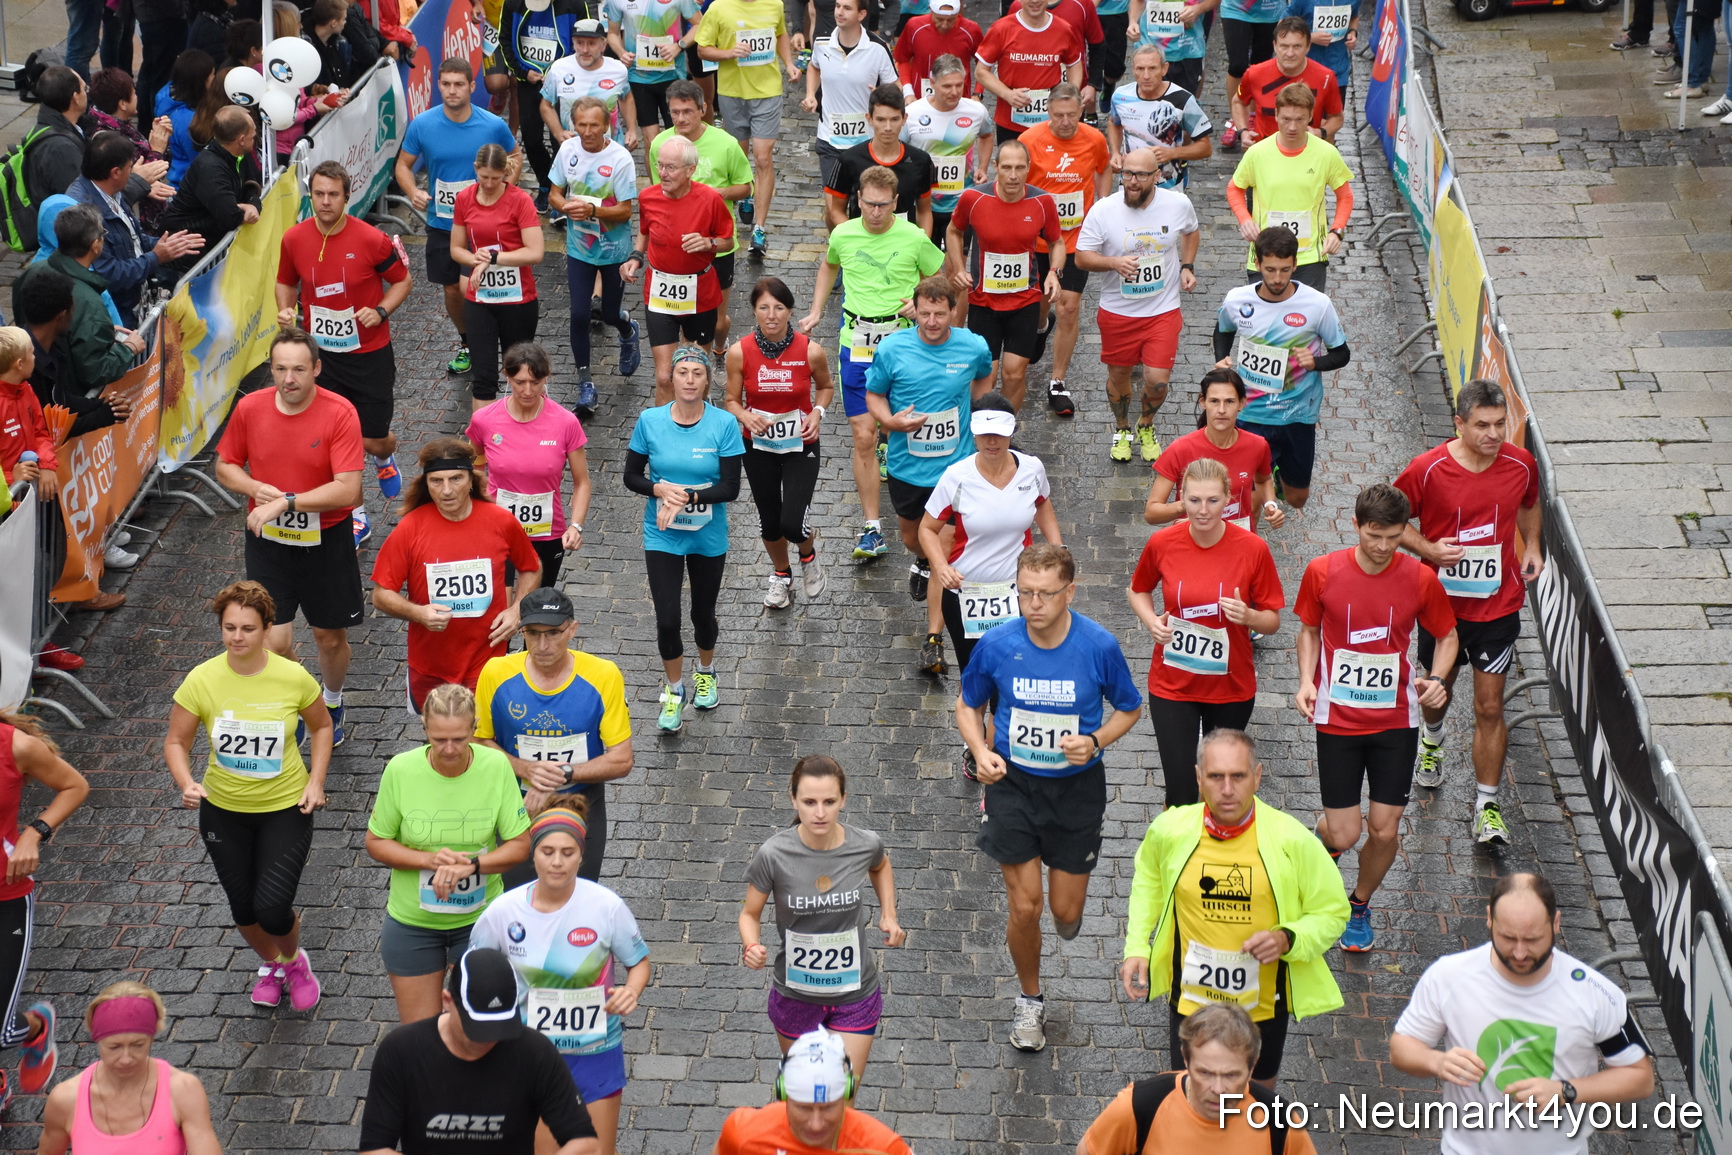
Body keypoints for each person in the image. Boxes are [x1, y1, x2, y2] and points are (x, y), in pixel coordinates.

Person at [957, 543, 1142, 1051]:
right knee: (1026, 905)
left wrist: (1097, 740)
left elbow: (1130, 708)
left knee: (1063, 911)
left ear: (1070, 592)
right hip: (1013, 786)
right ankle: (1030, 1001)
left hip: (1078, 791)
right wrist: (980, 751)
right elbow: (967, 705)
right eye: (1026, 593)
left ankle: (1068, 916)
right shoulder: (996, 644)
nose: (1034, 603)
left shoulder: (1098, 646)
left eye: (1046, 594)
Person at [1119, 729, 1345, 1083]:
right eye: (1215, 776)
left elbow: (1332, 912)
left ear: (1256, 777)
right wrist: (1136, 946)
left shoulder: (1292, 839)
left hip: (1262, 1006)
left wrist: (1289, 938)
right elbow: (1148, 880)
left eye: (1238, 776)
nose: (1227, 789)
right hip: (1192, 1000)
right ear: (1198, 778)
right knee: (1190, 1100)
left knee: (1255, 1103)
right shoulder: (1170, 830)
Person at [1296, 484, 1458, 953]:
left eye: (1392, 536)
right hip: (1338, 719)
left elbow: (1447, 637)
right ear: (1356, 527)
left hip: (1395, 722)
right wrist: (1307, 681)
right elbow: (1307, 630)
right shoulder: (1322, 571)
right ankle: (1319, 848)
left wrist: (1439, 678)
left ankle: (1359, 905)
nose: (1383, 546)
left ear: (1403, 532)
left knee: (1385, 828)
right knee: (1345, 831)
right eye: (1373, 536)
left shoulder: (1420, 579)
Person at [1390, 872, 1656, 1155]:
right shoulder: (1448, 975)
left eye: (1532, 939)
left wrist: (1565, 1091)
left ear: (1555, 923)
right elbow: (1402, 1048)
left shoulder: (1596, 993)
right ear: (1490, 918)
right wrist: (1436, 1061)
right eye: (1507, 937)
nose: (1519, 953)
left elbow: (1640, 1078)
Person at [163, 579, 332, 1010]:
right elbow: (176, 742)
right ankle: (274, 964)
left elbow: (322, 726)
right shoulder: (202, 679)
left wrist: (316, 781)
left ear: (266, 629)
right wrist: (186, 782)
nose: (238, 637)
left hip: (285, 807)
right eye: (230, 627)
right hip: (223, 810)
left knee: (273, 906)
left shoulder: (292, 677)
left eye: (248, 629)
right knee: (244, 909)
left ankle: (295, 961)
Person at [1394, 378, 1542, 844]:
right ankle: (1432, 744)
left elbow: (1530, 503)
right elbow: (1388, 522)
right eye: (1482, 425)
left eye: (1500, 424)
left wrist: (1532, 544)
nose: (1494, 434)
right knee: (1439, 691)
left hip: (1497, 608)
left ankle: (1486, 805)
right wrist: (1429, 550)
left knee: (1490, 706)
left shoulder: (1521, 464)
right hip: (1440, 610)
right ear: (1459, 424)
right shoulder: (1427, 468)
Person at [470, 807, 650, 1155]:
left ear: (582, 855)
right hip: (531, 1055)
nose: (557, 862)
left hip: (596, 1052)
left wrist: (631, 990)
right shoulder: (502, 912)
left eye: (567, 853)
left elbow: (639, 962)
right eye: (547, 852)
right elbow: (473, 974)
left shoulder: (606, 907)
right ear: (532, 853)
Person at [214, 328, 365, 740]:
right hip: (269, 543)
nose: (288, 379)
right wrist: (253, 489)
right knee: (275, 641)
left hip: (327, 541)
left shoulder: (340, 412)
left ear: (316, 368)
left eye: (298, 369)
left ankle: (332, 700)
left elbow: (348, 488)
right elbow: (225, 464)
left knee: (329, 639)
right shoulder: (251, 409)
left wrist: (288, 502)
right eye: (280, 368)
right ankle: (306, 699)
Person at [797, 169, 946, 566]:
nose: (875, 212)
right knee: (863, 435)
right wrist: (815, 311)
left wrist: (921, 303)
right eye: (868, 203)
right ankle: (872, 527)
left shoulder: (914, 237)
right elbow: (829, 265)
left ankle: (924, 516)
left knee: (903, 427)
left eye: (883, 205)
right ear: (857, 199)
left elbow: (938, 277)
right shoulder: (843, 234)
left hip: (903, 344)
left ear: (896, 203)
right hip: (856, 345)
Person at [365, 687, 533, 1022]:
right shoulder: (400, 770)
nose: (450, 749)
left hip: (480, 921)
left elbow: (520, 845)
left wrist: (471, 866)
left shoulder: (496, 766)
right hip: (412, 923)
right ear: (424, 727)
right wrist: (428, 860)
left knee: (473, 1026)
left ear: (475, 727)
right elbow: (376, 841)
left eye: (459, 738)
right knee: (421, 1036)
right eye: (439, 739)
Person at [1128, 459, 1284, 807]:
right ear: (1181, 497)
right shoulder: (1163, 542)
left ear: (1229, 498)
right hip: (1173, 684)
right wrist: (1150, 619)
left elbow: (1273, 620)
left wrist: (1249, 616)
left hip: (1230, 685)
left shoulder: (1252, 549)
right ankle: (1178, 858)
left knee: (1217, 790)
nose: (1202, 510)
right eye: (1194, 500)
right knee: (1181, 794)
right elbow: (1137, 589)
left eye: (1213, 500)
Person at [918, 394, 1062, 765]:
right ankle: (975, 745)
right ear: (974, 433)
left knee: (1013, 667)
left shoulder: (1031, 469)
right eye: (984, 435)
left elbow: (1042, 503)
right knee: (975, 673)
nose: (992, 442)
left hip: (1019, 593)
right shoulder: (957, 477)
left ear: (1012, 431)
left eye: (999, 434)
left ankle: (996, 745)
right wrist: (940, 566)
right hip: (966, 593)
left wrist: (1058, 546)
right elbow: (927, 529)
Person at [739, 756, 904, 1075]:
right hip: (796, 995)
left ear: (843, 799)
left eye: (829, 801)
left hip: (855, 993)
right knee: (806, 1096)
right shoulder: (773, 854)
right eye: (809, 801)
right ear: (793, 800)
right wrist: (751, 945)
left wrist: (890, 915)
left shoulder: (864, 844)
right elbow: (749, 913)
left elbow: (881, 865)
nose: (819, 812)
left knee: (841, 1096)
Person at [275, 159, 412, 542]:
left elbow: (402, 281)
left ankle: (385, 456)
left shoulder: (371, 239)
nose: (325, 202)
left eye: (333, 194)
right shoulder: (294, 239)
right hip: (322, 357)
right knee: (332, 439)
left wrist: (381, 310)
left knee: (371, 438)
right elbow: (285, 282)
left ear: (347, 197)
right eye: (318, 194)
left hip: (369, 354)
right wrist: (285, 309)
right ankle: (356, 512)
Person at [866, 275, 994, 672]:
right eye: (926, 314)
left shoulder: (972, 346)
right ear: (914, 311)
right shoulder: (892, 349)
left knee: (944, 550)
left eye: (941, 313)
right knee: (911, 537)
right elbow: (873, 394)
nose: (933, 321)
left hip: (956, 469)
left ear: (954, 311)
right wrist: (890, 422)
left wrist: (979, 410)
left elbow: (984, 375)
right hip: (908, 466)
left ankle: (934, 640)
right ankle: (921, 561)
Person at [358, 947, 600, 1155]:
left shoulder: (535, 1052)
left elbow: (586, 1143)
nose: (489, 1039)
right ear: (447, 1001)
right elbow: (374, 1148)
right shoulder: (402, 1050)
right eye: (478, 1028)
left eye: (500, 1026)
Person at [371, 439, 544, 711]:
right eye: (437, 481)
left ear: (472, 480)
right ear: (426, 484)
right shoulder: (410, 529)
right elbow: (381, 595)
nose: (447, 490)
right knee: (444, 744)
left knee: (481, 740)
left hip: (487, 660)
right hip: (431, 665)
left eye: (456, 479)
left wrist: (517, 610)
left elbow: (531, 567)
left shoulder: (500, 521)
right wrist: (419, 614)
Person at [475, 588, 633, 886]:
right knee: (516, 903)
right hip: (516, 807)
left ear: (572, 629)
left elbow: (622, 759)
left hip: (581, 804)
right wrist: (525, 769)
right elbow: (478, 741)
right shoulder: (495, 673)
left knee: (576, 902)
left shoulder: (603, 675)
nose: (542, 644)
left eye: (553, 633)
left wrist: (560, 774)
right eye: (532, 634)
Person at [625, 346, 747, 732]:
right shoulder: (649, 420)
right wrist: (661, 490)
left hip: (708, 535)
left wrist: (688, 496)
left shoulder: (724, 425)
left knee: (702, 613)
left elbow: (730, 488)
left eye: (698, 373)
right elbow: (631, 476)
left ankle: (706, 672)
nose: (690, 380)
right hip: (662, 533)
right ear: (671, 378)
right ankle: (674, 691)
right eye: (683, 373)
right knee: (667, 619)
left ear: (707, 380)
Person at [394, 58, 521, 376]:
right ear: (438, 86)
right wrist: (412, 192)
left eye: (459, 84)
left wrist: (504, 195)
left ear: (472, 86)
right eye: (446, 84)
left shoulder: (491, 125)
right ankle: (468, 343)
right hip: (442, 223)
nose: (452, 90)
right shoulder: (422, 124)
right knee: (452, 290)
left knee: (482, 286)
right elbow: (402, 165)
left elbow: (515, 156)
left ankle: (494, 341)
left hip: (484, 225)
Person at [1074, 145, 1199, 463]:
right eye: (1127, 173)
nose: (1131, 181)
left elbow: (1191, 231)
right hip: (1118, 311)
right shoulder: (1104, 209)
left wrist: (1187, 266)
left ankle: (1146, 425)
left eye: (1141, 175)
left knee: (1157, 381)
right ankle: (1121, 429)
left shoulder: (1177, 204)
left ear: (1157, 177)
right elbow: (1082, 257)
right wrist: (1114, 263)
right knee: (1118, 377)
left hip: (1163, 309)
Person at [1211, 226, 1349, 511]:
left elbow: (1342, 354)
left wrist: (1316, 362)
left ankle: (1274, 476)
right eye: (1270, 269)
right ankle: (1250, 540)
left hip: (1297, 415)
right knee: (1247, 497)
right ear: (1257, 263)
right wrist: (1221, 357)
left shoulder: (1317, 305)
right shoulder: (1238, 299)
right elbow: (1222, 330)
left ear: (1295, 264)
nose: (1277, 279)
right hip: (1250, 413)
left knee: (1298, 499)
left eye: (1285, 270)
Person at [724, 276, 835, 608]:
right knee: (770, 521)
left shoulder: (811, 351)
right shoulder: (738, 352)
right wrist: (745, 416)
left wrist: (817, 412)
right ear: (754, 311)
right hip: (757, 446)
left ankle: (808, 556)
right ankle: (781, 575)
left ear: (789, 310)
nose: (771, 315)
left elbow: (826, 387)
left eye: (779, 307)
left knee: (791, 520)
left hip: (801, 443)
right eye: (763, 308)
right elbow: (730, 399)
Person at [1080, 1002, 1323, 1154]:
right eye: (1205, 1072)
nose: (1218, 1089)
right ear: (1186, 1062)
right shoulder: (1139, 1106)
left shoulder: (1279, 1119)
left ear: (1252, 1068)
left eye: (1231, 1075)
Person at [0, 710, 89, 1105]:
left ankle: (36, 1027)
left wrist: (34, 834)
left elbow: (74, 785)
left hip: (5, 895)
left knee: (1, 1031)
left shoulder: (15, 745)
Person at [36, 983, 222, 1155]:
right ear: (97, 1040)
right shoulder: (65, 1100)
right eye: (114, 1047)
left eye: (138, 1045)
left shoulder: (183, 1090)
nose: (126, 1059)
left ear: (152, 1037)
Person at [465, 343, 594, 589]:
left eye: (535, 382)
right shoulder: (484, 420)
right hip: (497, 529)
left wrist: (576, 526)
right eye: (520, 381)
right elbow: (474, 464)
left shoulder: (566, 423)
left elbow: (582, 482)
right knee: (501, 607)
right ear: (507, 376)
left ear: (546, 378)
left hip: (548, 533)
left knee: (537, 616)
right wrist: (476, 507)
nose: (527, 390)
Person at [946, 139, 1062, 412]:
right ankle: (980, 433)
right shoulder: (974, 198)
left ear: (1028, 169)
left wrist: (1054, 273)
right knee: (984, 376)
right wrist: (959, 268)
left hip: (1024, 300)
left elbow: (1057, 242)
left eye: (1019, 168)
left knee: (1013, 373)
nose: (1012, 175)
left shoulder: (1042, 201)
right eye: (1006, 167)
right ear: (996, 166)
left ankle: (1005, 430)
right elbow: (953, 231)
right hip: (984, 302)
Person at [622, 136, 735, 406]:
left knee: (696, 373)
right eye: (660, 165)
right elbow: (646, 230)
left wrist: (709, 243)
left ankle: (698, 425)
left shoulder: (710, 200)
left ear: (690, 170)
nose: (662, 173)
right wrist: (636, 256)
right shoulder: (648, 197)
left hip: (700, 294)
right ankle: (664, 438)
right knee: (665, 376)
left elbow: (728, 241)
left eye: (671, 167)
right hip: (660, 293)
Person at [649, 80, 754, 364]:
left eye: (687, 111)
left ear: (703, 109)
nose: (681, 119)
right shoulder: (661, 144)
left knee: (718, 320)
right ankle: (689, 372)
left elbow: (746, 187)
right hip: (678, 248)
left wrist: (714, 193)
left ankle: (720, 343)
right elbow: (656, 194)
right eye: (674, 113)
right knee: (687, 327)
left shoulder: (726, 144)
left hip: (716, 245)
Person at [1018, 83, 1109, 413]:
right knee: (1041, 303)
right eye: (1059, 116)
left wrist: (1101, 206)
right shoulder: (1030, 140)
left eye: (1072, 115)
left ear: (1081, 112)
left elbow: (1104, 168)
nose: (1066, 122)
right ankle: (1042, 325)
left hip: (1074, 242)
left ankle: (1057, 382)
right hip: (1036, 240)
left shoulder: (1094, 139)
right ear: (1048, 112)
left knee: (1069, 306)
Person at [550, 98, 642, 416]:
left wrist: (592, 209)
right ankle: (585, 383)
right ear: (573, 125)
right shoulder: (568, 151)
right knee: (579, 315)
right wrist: (564, 207)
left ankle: (628, 329)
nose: (587, 132)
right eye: (581, 125)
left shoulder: (619, 159)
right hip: (579, 248)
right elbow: (553, 192)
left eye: (594, 125)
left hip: (613, 250)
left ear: (607, 126)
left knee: (610, 314)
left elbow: (626, 211)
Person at [696, 0, 802, 256]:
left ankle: (760, 229)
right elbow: (702, 49)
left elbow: (780, 34)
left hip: (768, 91)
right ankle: (745, 196)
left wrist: (788, 63)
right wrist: (729, 52)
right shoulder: (719, 8)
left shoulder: (774, 4)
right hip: (733, 93)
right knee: (739, 157)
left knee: (763, 157)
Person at [68, 132, 201, 329]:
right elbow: (108, 275)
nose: (133, 173)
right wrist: (156, 257)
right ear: (115, 173)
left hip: (132, 304)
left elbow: (132, 238)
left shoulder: (111, 193)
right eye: (130, 168)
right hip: (117, 316)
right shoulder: (87, 215)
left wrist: (164, 245)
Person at [1226, 83, 1351, 291]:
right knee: (1265, 321)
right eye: (1286, 119)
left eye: (1300, 120)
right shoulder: (1257, 153)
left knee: (1305, 322)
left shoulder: (1326, 153)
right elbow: (1234, 188)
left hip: (1309, 257)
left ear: (1311, 116)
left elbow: (1345, 196)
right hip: (1265, 256)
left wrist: (1336, 231)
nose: (1292, 127)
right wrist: (1245, 219)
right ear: (1276, 114)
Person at [452, 143, 546, 412]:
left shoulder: (520, 201)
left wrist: (492, 258)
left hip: (518, 302)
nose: (490, 183)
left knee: (521, 375)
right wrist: (476, 261)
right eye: (484, 177)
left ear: (505, 173)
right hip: (479, 300)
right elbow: (456, 248)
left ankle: (525, 433)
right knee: (483, 377)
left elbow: (535, 252)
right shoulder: (464, 199)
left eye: (496, 178)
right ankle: (482, 450)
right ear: (475, 170)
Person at [713, 1028, 913, 1155]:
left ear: (846, 1093)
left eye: (828, 1108)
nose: (816, 1125)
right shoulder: (744, 1133)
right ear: (784, 1096)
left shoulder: (883, 1148)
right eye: (804, 1108)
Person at [13, 206, 144, 397]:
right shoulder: (89, 303)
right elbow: (95, 371)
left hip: (33, 383)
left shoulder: (32, 272)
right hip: (69, 402)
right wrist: (129, 349)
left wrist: (102, 331)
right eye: (102, 234)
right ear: (95, 245)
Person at [1145, 370, 1281, 534]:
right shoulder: (1181, 449)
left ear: (1242, 403)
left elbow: (1263, 479)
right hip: (1192, 541)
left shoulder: (1257, 445)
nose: (1222, 410)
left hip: (1238, 540)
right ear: (1203, 402)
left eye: (1229, 401)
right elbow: (1152, 513)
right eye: (1214, 401)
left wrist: (1270, 505)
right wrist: (1188, 504)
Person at [496, 0, 584, 211]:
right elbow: (505, 39)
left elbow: (585, 39)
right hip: (530, 81)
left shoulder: (575, 4)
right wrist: (523, 72)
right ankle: (545, 184)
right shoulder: (513, 4)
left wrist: (565, 72)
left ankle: (558, 190)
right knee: (531, 138)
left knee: (561, 140)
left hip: (565, 83)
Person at [156, 106, 263, 279]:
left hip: (205, 253)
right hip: (183, 261)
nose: (255, 136)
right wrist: (243, 208)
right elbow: (229, 217)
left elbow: (251, 184)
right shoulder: (211, 168)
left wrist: (252, 203)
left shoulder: (238, 154)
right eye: (253, 133)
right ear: (241, 139)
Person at [807, 0, 898, 188]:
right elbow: (814, 66)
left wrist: (882, 94)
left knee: (862, 203)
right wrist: (810, 94)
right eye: (837, 6)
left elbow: (896, 86)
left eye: (847, 8)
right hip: (829, 139)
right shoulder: (822, 42)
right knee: (833, 207)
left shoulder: (878, 48)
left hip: (866, 142)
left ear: (862, 14)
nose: (839, 12)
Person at [901, 54, 990, 247]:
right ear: (932, 82)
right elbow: (897, 150)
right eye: (947, 86)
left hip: (960, 202)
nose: (955, 91)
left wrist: (982, 167)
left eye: (959, 85)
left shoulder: (976, 111)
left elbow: (986, 135)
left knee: (956, 270)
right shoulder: (913, 112)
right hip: (923, 204)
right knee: (924, 268)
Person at [824, 84, 936, 231]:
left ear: (904, 119)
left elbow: (924, 211)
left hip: (903, 244)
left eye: (894, 119)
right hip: (862, 243)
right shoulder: (849, 160)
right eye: (881, 120)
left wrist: (921, 245)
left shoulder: (921, 160)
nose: (888, 127)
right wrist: (853, 240)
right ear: (869, 119)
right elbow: (837, 211)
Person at [974, 0, 1085, 144]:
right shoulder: (1001, 28)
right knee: (1013, 165)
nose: (1034, 1)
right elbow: (981, 71)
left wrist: (1072, 94)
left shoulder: (1063, 28)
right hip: (1010, 121)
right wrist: (1007, 94)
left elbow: (1074, 64)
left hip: (1050, 121)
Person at [1106, 43, 1212, 189]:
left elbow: (1206, 147)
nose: (1146, 76)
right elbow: (1114, 122)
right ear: (1133, 70)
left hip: (1169, 187)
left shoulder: (1183, 99)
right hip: (1130, 186)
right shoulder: (1120, 96)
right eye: (1140, 69)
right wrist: (1116, 153)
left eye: (1152, 68)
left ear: (1164, 69)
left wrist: (1172, 153)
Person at [605, 0, 702, 154]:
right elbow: (612, 33)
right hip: (639, 77)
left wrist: (679, 45)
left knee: (680, 139)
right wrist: (621, 53)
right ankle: (656, 179)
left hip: (673, 75)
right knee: (651, 143)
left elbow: (699, 24)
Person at [1231, 15, 1341, 145]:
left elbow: (1337, 117)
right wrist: (1243, 132)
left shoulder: (1326, 77)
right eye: (1284, 46)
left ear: (1308, 47)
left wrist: (1321, 132)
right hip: (1266, 153)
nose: (1290, 53)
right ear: (1275, 46)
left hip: (1305, 152)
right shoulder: (1254, 74)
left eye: (1297, 46)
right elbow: (1238, 102)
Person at [541, 18, 640, 150]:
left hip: (611, 147)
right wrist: (558, 132)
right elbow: (546, 105)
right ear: (573, 43)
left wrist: (632, 130)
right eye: (580, 43)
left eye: (592, 43)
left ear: (603, 45)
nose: (585, 49)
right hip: (574, 147)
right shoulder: (559, 69)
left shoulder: (618, 70)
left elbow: (627, 97)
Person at [1215, 0, 1283, 152]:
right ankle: (1235, 120)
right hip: (1236, 8)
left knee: (1259, 67)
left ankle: (1251, 117)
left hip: (1269, 11)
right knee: (1237, 65)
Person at [22, 67, 90, 210]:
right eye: (85, 89)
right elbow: (83, 209)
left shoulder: (50, 126)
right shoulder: (61, 149)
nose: (87, 93)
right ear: (75, 98)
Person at [894, 0, 983, 101]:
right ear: (931, 11)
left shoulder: (971, 30)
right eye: (939, 19)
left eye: (950, 20)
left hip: (958, 97)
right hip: (920, 97)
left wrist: (978, 93)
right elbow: (902, 59)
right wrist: (908, 92)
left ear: (958, 14)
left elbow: (983, 63)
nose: (944, 25)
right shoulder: (914, 26)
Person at [1127, 0, 1212, 96]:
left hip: (1188, 49)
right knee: (1149, 98)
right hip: (1150, 50)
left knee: (1185, 101)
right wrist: (1132, 22)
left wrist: (1198, 9)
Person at [1283, 0, 1355, 95]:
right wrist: (1310, 37)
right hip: (1306, 71)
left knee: (1335, 109)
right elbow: (1282, 26)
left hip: (1338, 72)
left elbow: (1354, 15)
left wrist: (1353, 32)